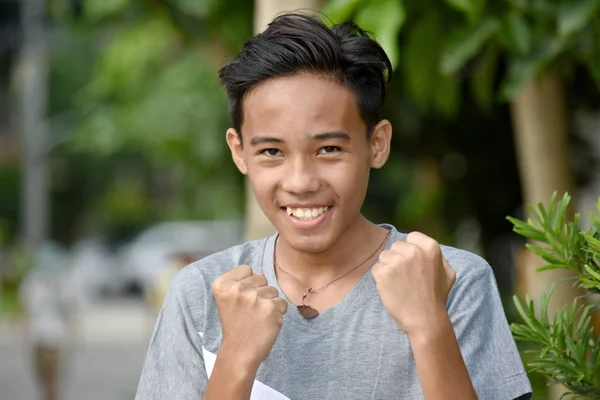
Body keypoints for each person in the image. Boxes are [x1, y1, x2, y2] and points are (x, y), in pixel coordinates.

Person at [135, 13, 533, 400]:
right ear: (239, 152)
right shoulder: (201, 295)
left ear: (376, 144)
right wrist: (236, 359)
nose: (301, 182)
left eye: (328, 149)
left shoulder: (450, 280)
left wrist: (429, 326)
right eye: (272, 151)